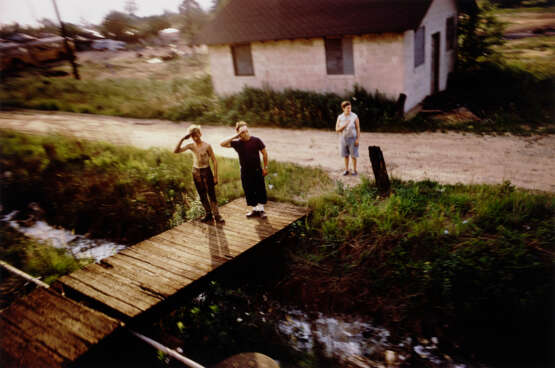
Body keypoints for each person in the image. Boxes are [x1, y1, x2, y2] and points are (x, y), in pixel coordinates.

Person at [175, 125, 224, 223]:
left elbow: (214, 160)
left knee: (211, 194)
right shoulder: (191, 146)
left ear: (200, 134)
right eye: (193, 136)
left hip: (206, 170)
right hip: (196, 171)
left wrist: (215, 176)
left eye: (196, 135)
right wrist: (183, 139)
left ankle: (217, 215)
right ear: (191, 136)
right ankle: (208, 214)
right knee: (202, 194)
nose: (195, 138)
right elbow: (176, 151)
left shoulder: (207, 145)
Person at [220, 121, 269, 219]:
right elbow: (222, 144)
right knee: (249, 189)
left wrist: (265, 167)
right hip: (245, 171)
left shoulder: (256, 140)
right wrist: (236, 136)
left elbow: (264, 153)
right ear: (238, 133)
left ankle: (261, 210)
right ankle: (255, 210)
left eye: (246, 131)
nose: (245, 133)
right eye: (242, 132)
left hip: (257, 170)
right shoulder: (237, 143)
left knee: (259, 189)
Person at [335, 100, 360, 176]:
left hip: (353, 138)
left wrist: (357, 139)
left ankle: (355, 170)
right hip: (343, 139)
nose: (349, 109)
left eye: (350, 108)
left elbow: (358, 128)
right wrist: (345, 125)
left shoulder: (354, 116)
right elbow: (337, 130)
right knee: (345, 155)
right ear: (343, 108)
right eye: (347, 108)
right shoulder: (340, 117)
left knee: (353, 155)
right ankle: (346, 170)